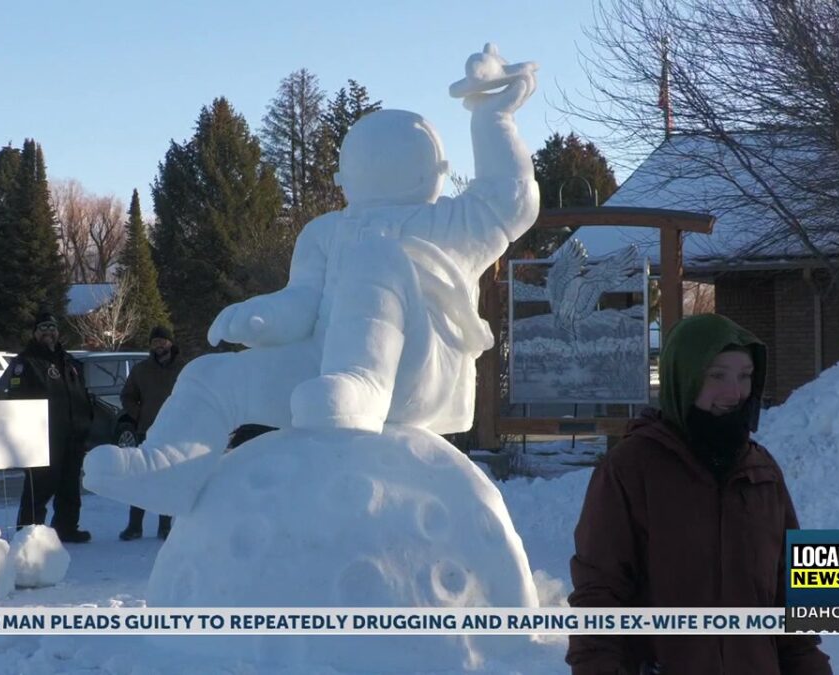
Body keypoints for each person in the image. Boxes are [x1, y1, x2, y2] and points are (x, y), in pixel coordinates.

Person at [85, 44, 541, 517]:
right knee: (210, 375)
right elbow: (302, 302)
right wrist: (261, 319)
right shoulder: (325, 232)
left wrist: (493, 117)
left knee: (375, 258)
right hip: (320, 381)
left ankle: (362, 382)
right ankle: (171, 469)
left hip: (415, 372)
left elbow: (507, 200)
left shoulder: (450, 223)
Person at [566, 313, 833, 674]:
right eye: (716, 375)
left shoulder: (762, 474)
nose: (734, 393)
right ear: (684, 377)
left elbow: (791, 604)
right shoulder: (631, 469)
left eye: (745, 376)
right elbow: (598, 597)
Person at [0, 311, 94, 543]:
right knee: (39, 487)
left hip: (72, 434)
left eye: (52, 328)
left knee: (70, 486)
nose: (48, 332)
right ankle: (28, 532)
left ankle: (66, 527)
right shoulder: (25, 362)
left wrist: (85, 424)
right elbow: (11, 398)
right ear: (35, 333)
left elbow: (82, 395)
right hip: (41, 437)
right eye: (43, 328)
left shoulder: (69, 361)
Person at [118, 326, 184, 541]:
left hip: (175, 431)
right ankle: (134, 526)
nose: (158, 345)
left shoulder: (184, 368)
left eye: (162, 341)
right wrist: (139, 414)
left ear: (171, 343)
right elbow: (127, 396)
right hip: (147, 431)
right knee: (142, 478)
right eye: (154, 341)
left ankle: (165, 526)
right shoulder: (141, 369)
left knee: (169, 480)